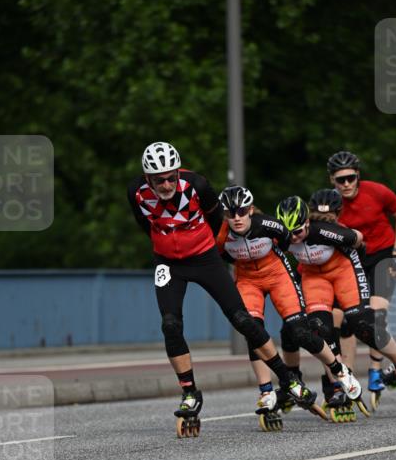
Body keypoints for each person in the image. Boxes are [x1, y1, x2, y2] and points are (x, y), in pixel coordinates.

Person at [127, 142, 317, 435]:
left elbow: (218, 224)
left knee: (243, 319)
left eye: (171, 177)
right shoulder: (136, 192)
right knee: (170, 324)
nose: (165, 184)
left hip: (204, 258)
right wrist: (167, 245)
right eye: (158, 179)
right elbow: (145, 224)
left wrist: (205, 248)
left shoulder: (197, 185)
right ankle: (190, 393)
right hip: (168, 263)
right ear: (147, 178)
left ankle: (288, 379)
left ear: (179, 172)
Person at [217, 185, 361, 428]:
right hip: (248, 279)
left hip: (277, 274)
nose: (237, 218)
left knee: (300, 331)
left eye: (241, 211)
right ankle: (266, 391)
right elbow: (223, 256)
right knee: (253, 331)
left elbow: (287, 241)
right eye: (230, 214)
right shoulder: (220, 236)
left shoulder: (268, 224)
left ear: (250, 210)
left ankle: (340, 371)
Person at [277, 194, 396, 412]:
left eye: (298, 232)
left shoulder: (321, 230)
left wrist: (357, 261)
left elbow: (358, 238)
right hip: (315, 275)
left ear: (307, 223)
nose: (293, 238)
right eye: (288, 234)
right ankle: (340, 378)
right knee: (319, 328)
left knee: (362, 325)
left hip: (343, 269)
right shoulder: (282, 236)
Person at [327, 150, 396, 407]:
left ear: (358, 176)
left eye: (351, 178)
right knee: (345, 321)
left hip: (384, 256)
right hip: (352, 263)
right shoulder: (330, 204)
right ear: (332, 180)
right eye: (340, 180)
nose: (346, 184)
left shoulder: (377, 191)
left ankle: (378, 368)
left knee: (376, 314)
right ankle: (347, 378)